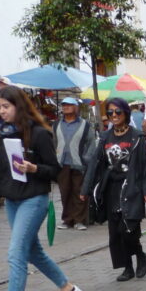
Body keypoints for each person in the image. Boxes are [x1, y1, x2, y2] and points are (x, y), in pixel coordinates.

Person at [0, 86, 85, 291]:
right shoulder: (1, 133)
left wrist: (34, 168)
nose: (2, 112)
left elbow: (55, 169)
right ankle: (70, 290)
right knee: (32, 252)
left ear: (19, 106)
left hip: (34, 198)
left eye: (6, 107)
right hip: (12, 199)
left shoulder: (38, 134)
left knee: (16, 252)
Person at [82, 97, 146, 281]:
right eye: (110, 112)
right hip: (111, 188)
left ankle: (140, 255)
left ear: (125, 113)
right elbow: (95, 164)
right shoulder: (105, 137)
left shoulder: (136, 136)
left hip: (131, 188)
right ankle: (128, 267)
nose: (114, 115)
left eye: (118, 112)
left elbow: (145, 165)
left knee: (128, 229)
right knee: (115, 232)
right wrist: (86, 189)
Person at [53, 97, 97, 231]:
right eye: (64, 105)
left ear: (76, 107)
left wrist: (86, 160)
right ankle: (67, 220)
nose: (65, 107)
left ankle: (79, 220)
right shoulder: (56, 125)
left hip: (79, 163)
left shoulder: (85, 125)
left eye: (69, 105)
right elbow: (54, 142)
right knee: (64, 192)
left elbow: (91, 143)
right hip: (62, 163)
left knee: (79, 192)